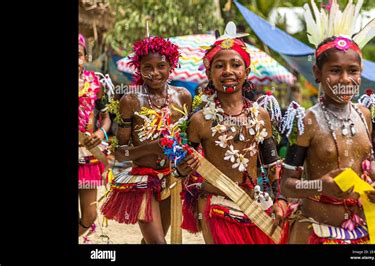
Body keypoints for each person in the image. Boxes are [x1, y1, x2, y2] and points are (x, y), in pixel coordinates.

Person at [280, 0, 375, 244]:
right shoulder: (307, 120)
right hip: (316, 232)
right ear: (317, 73)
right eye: (335, 70)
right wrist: (320, 186)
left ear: (361, 73)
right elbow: (286, 185)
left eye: (353, 70)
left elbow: (367, 160)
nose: (345, 79)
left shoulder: (364, 114)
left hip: (361, 231)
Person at [178, 22, 288, 244]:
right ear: (209, 73)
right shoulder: (199, 121)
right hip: (215, 205)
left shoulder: (261, 115)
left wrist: (279, 200)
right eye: (219, 66)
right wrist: (183, 171)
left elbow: (271, 165)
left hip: (254, 205)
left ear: (246, 72)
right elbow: (184, 176)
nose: (227, 71)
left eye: (235, 64)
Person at [100, 35, 192, 244]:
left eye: (161, 66)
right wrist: (150, 148)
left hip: (173, 179)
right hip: (143, 181)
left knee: (151, 241)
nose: (155, 73)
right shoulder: (131, 100)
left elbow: (189, 141)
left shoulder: (183, 96)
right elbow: (120, 153)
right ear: (138, 68)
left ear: (171, 65)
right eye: (147, 67)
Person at [78, 33, 112, 237]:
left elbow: (107, 118)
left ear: (85, 57)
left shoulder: (96, 83)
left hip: (88, 156)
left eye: (78, 55)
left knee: (89, 216)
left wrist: (101, 132)